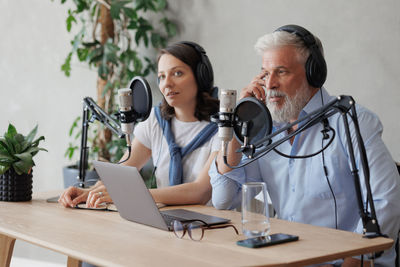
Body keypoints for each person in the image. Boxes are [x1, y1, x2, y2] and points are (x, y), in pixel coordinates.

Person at [209, 25, 400, 266]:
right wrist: (241, 120)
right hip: (288, 259)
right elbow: (223, 199)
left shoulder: (351, 121)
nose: (270, 85)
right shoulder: (264, 130)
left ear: (314, 73)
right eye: (265, 74)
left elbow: (387, 202)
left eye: (281, 72)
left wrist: (353, 260)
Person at [59, 41, 220, 208]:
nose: (167, 84)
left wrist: (130, 194)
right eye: (162, 76)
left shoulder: (223, 127)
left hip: (209, 224)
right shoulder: (156, 121)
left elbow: (200, 192)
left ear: (201, 77)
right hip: (167, 220)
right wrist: (89, 192)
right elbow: (121, 174)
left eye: (177, 73)